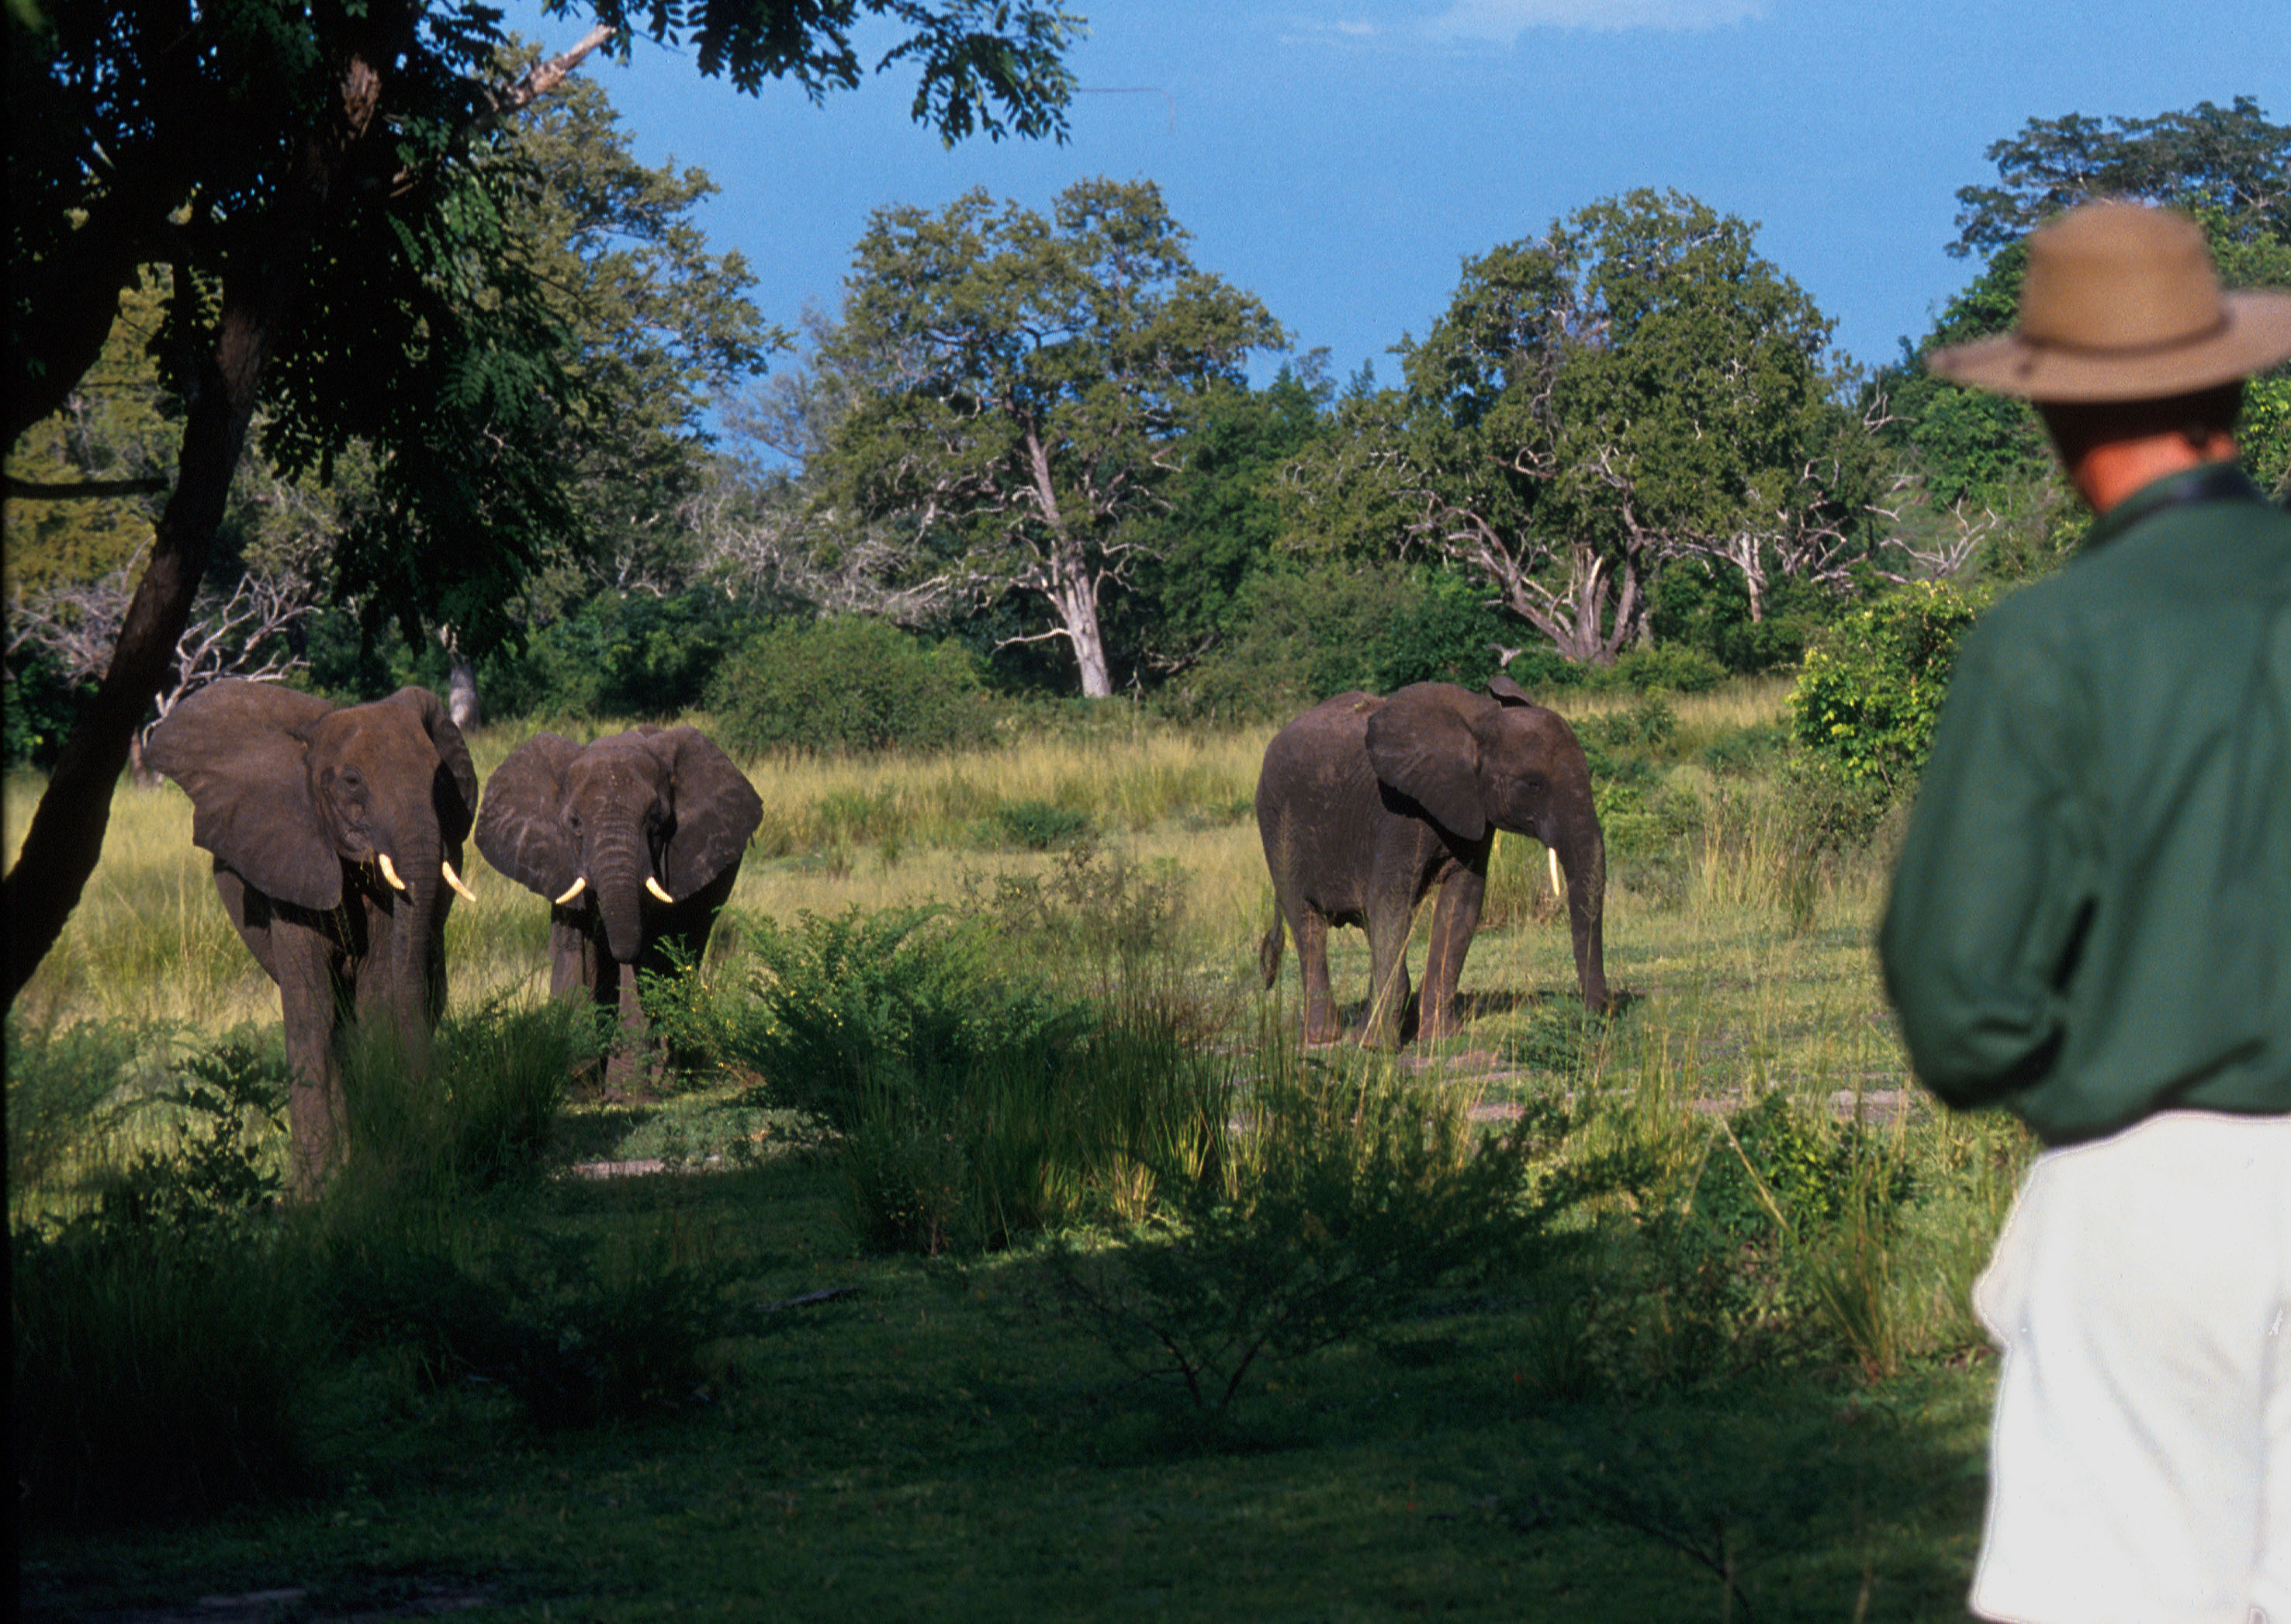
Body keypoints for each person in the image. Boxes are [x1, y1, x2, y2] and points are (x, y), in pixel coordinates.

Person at [1879, 201, 2291, 1624]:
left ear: (2054, 420)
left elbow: (1956, 1007)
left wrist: (2115, 1070)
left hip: (2152, 1192)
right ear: (2234, 384)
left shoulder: (2048, 642)